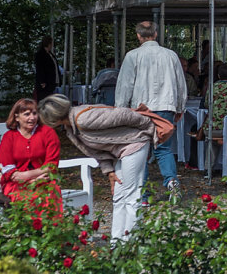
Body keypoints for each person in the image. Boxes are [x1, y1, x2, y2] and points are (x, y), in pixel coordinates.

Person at [37, 94, 160, 242]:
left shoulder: (83, 119)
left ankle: (132, 243)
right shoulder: (71, 128)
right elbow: (96, 152)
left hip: (135, 143)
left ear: (53, 119)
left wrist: (148, 127)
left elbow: (123, 114)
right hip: (120, 150)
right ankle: (117, 242)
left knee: (131, 195)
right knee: (119, 196)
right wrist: (109, 171)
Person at [114, 21, 187, 200]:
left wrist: (120, 110)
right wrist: (180, 106)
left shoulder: (132, 56)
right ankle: (171, 181)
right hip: (166, 107)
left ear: (138, 36)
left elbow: (125, 85)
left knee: (141, 151)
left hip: (141, 110)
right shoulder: (171, 55)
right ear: (156, 34)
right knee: (164, 149)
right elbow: (180, 84)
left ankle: (143, 194)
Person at [0, 98, 61, 215]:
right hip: (16, 183)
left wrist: (29, 176)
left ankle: (47, 230)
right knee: (18, 195)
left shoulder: (48, 133)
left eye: (34, 113)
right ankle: (26, 231)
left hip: (44, 179)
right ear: (17, 117)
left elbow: (51, 165)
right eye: (26, 114)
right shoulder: (9, 137)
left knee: (48, 193)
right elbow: (8, 168)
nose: (32, 118)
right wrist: (29, 179)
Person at [34, 36, 62, 102]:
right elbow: (39, 68)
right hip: (45, 82)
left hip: (51, 81)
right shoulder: (40, 54)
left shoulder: (50, 54)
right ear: (48, 43)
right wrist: (42, 81)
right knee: (43, 100)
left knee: (50, 99)